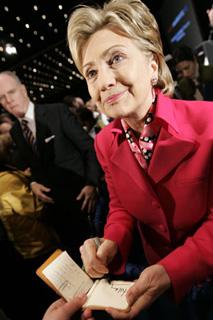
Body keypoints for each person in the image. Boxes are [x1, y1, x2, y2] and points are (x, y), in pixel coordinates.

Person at [67, 0, 213, 319]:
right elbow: (120, 206)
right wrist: (112, 243)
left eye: (116, 58)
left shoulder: (210, 122)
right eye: (91, 72)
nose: (103, 81)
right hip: (157, 285)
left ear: (152, 64)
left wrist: (170, 271)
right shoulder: (105, 142)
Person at [0, 71, 101, 264]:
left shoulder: (56, 112)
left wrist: (92, 184)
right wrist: (33, 182)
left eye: (11, 92)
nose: (8, 101)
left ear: (23, 90)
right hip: (58, 216)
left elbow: (89, 148)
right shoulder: (15, 131)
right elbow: (33, 165)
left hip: (86, 203)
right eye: (2, 98)